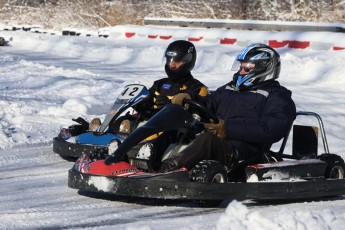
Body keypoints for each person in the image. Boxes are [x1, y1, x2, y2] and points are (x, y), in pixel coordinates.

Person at [160, 43, 296, 174]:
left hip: (243, 152)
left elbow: (270, 129)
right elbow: (207, 103)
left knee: (207, 140)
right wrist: (189, 98)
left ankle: (166, 171)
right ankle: (145, 160)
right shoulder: (231, 88)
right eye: (240, 67)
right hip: (218, 141)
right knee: (176, 130)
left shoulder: (278, 96)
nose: (241, 72)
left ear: (263, 68)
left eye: (246, 68)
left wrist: (227, 129)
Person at [71, 40, 208, 134]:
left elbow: (196, 117)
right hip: (147, 120)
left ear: (188, 61)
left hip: (172, 128)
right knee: (125, 121)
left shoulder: (197, 88)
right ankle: (101, 130)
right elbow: (147, 104)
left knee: (145, 128)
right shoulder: (159, 84)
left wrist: (170, 107)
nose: (171, 65)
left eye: (176, 62)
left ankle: (122, 136)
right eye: (169, 61)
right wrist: (141, 103)